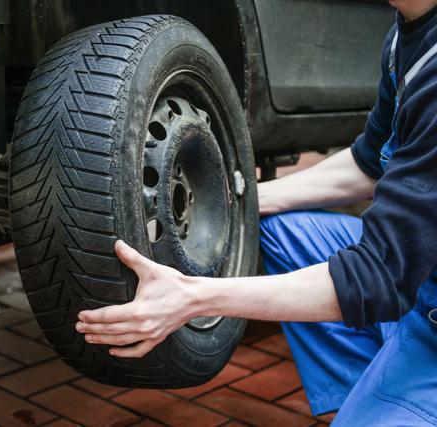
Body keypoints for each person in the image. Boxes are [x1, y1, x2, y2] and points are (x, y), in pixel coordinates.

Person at [75, 0, 437, 424]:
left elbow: (377, 279)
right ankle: (375, 387)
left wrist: (189, 297)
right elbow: (368, 163)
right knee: (283, 231)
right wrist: (239, 201)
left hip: (426, 314)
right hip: (418, 279)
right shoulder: (405, 36)